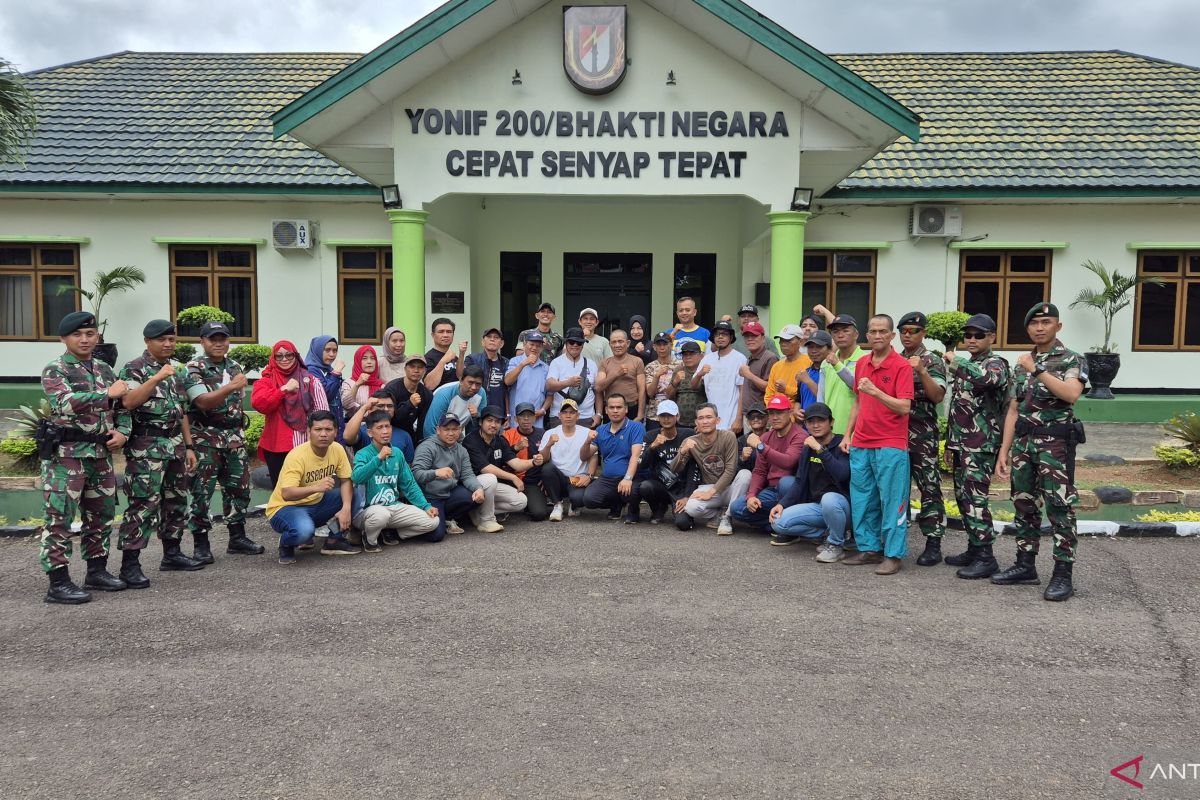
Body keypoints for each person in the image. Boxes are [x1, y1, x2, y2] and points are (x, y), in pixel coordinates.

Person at [995, 302, 1088, 601]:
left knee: (1060, 508)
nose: (1039, 327)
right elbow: (1012, 409)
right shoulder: (1020, 363)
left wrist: (1037, 370)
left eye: (1046, 322)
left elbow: (1071, 394)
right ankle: (1025, 565)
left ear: (1057, 326)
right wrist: (1004, 451)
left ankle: (1063, 574)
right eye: (1034, 323)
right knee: (1024, 504)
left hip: (1055, 446)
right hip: (1024, 444)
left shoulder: (1071, 359)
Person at [37, 310, 131, 604]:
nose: (84, 339)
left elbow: (123, 406)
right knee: (60, 519)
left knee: (101, 516)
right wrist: (107, 395)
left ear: (97, 337)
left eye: (90, 334)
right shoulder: (56, 369)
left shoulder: (104, 369)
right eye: (77, 334)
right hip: (67, 456)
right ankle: (58, 582)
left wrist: (124, 432)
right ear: (64, 338)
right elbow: (63, 403)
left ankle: (97, 571)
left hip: (101, 454)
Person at [114, 319, 204, 584]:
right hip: (146, 449)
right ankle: (130, 565)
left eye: (171, 340)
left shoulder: (176, 370)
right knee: (142, 504)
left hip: (174, 445)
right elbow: (129, 402)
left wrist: (189, 446)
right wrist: (155, 378)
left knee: (176, 501)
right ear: (147, 342)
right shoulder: (134, 368)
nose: (167, 344)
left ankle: (172, 553)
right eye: (161, 340)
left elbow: (182, 412)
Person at [184, 321, 264, 564]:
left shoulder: (234, 366)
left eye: (223, 338)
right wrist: (230, 386)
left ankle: (237, 537)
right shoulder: (194, 368)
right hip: (205, 439)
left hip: (234, 438)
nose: (218, 343)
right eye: (212, 339)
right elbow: (202, 402)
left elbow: (237, 403)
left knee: (239, 488)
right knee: (202, 492)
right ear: (202, 341)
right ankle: (201, 543)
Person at [840, 314, 914, 576]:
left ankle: (893, 554)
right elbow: (858, 402)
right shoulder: (862, 363)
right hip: (862, 441)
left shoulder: (902, 366)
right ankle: (869, 548)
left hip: (890, 444)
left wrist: (877, 392)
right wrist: (848, 434)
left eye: (883, 331)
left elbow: (904, 407)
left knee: (893, 500)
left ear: (892, 335)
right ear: (867, 336)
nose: (878, 336)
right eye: (873, 331)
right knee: (863, 499)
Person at [941, 314, 1011, 577]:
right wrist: (949, 443)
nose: (971, 339)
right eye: (967, 335)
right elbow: (957, 408)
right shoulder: (967, 364)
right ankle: (974, 547)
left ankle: (986, 556)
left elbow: (988, 380)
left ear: (992, 337)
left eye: (978, 335)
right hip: (962, 445)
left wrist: (955, 360)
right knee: (963, 498)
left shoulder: (996, 364)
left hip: (981, 446)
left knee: (976, 500)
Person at [266, 410, 358, 563]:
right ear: (309, 431)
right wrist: (316, 487)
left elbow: (346, 480)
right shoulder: (297, 456)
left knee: (355, 495)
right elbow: (287, 494)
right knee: (304, 532)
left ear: (335, 432)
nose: (323, 434)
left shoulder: (337, 449)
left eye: (328, 429)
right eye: (318, 429)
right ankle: (286, 543)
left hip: (317, 504)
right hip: (285, 508)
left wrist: (346, 508)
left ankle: (334, 541)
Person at [767, 402, 852, 562]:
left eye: (821, 420)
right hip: (818, 507)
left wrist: (820, 449)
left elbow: (841, 474)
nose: (815, 425)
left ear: (831, 422)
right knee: (778, 523)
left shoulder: (841, 443)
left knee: (829, 498)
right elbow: (799, 481)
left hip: (842, 507)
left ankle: (836, 545)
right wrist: (782, 504)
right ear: (805, 424)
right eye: (811, 421)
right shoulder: (808, 448)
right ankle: (833, 533)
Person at [896, 312, 949, 566]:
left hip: (922, 434)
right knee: (897, 489)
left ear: (923, 333)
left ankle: (933, 543)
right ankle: (896, 539)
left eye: (913, 331)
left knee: (929, 488)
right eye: (904, 331)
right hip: (895, 433)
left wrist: (921, 371)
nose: (908, 335)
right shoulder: (894, 359)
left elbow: (938, 396)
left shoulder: (932, 360)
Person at [351, 411, 439, 552]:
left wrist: (426, 506)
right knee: (380, 515)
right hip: (366, 511)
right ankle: (370, 540)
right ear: (370, 433)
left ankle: (392, 532)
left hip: (393, 507)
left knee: (433, 521)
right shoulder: (363, 453)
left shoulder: (397, 453)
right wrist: (378, 458)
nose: (385, 431)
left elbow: (409, 484)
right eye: (380, 428)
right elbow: (356, 477)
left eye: (388, 426)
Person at [251, 340, 330, 486]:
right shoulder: (267, 380)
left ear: (296, 356)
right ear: (273, 358)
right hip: (276, 445)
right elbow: (259, 404)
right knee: (281, 490)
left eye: (289, 355)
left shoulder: (310, 380)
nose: (284, 359)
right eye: (279, 356)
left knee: (306, 487)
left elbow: (323, 414)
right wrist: (283, 390)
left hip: (305, 444)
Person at [411, 414, 501, 537]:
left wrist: (479, 489)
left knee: (474, 496)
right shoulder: (427, 447)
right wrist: (435, 473)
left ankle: (448, 518)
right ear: (438, 430)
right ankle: (427, 520)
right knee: (436, 536)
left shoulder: (461, 449)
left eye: (454, 429)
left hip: (450, 492)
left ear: (459, 430)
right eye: (446, 429)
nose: (451, 433)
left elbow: (468, 475)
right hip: (430, 497)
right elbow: (415, 474)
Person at [728, 395, 805, 534]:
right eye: (772, 413)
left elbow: (788, 462)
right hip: (771, 491)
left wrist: (761, 447)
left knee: (786, 482)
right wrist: (752, 495)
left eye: (780, 412)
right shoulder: (766, 437)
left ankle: (785, 524)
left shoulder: (799, 435)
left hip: (793, 491)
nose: (775, 417)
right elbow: (760, 471)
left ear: (790, 412)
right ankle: (777, 524)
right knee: (737, 508)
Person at [464, 405, 541, 521]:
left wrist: (534, 462)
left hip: (491, 486)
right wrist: (513, 477)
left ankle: (478, 511)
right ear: (481, 422)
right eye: (489, 421)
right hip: (471, 484)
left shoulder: (500, 440)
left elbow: (516, 464)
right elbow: (485, 468)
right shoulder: (471, 440)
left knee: (521, 501)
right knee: (490, 478)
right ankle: (487, 519)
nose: (493, 425)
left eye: (497, 421)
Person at [670, 403, 739, 531]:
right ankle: (719, 513)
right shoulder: (690, 441)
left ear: (718, 420)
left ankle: (727, 516)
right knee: (691, 508)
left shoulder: (728, 436)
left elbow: (730, 470)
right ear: (696, 422)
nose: (705, 421)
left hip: (731, 488)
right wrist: (683, 451)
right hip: (710, 486)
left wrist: (709, 494)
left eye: (709, 417)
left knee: (745, 475)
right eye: (701, 418)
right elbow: (674, 469)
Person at [578, 395, 645, 523]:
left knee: (632, 491)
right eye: (611, 407)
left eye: (619, 407)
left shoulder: (636, 427)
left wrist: (627, 478)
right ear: (606, 410)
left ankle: (633, 509)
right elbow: (584, 456)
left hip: (631, 475)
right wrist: (587, 441)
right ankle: (617, 503)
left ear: (625, 409)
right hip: (608, 478)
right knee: (589, 499)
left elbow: (635, 456)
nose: (615, 410)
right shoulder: (601, 430)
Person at [635, 400, 694, 524]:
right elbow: (640, 465)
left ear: (677, 416)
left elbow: (694, 467)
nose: (666, 419)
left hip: (681, 487)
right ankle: (658, 508)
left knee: (683, 524)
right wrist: (652, 447)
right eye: (663, 416)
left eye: (670, 415)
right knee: (645, 486)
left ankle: (681, 509)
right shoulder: (650, 436)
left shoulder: (688, 434)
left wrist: (687, 495)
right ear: (657, 418)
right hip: (661, 485)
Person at [539, 399, 595, 521]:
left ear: (578, 416)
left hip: (577, 478)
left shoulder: (587, 433)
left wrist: (589, 476)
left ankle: (574, 505)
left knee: (579, 499)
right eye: (564, 412)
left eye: (572, 412)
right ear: (559, 415)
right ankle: (557, 504)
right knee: (547, 468)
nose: (568, 415)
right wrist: (549, 444)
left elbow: (594, 455)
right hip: (558, 477)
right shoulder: (550, 433)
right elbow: (543, 459)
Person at [694, 320, 746, 432]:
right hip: (711, 422)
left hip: (731, 421)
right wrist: (699, 374)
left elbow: (743, 390)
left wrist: (739, 418)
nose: (720, 337)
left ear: (731, 338)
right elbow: (694, 386)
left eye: (724, 334)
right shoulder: (707, 358)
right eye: (717, 334)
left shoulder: (740, 358)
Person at [503, 402, 551, 521]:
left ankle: (529, 503)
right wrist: (515, 448)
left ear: (535, 417)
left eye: (529, 415)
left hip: (532, 483)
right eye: (522, 415)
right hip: (511, 480)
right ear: (516, 419)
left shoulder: (543, 434)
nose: (526, 419)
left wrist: (546, 480)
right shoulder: (507, 435)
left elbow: (551, 459)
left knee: (539, 514)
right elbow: (501, 461)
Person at [822, 313, 867, 436]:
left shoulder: (865, 360)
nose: (840, 335)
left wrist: (837, 365)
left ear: (856, 335)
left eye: (845, 331)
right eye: (835, 332)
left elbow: (857, 387)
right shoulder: (825, 363)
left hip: (855, 431)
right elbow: (821, 397)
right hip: (828, 432)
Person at [546, 328, 599, 428]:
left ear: (583, 345)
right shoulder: (556, 362)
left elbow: (597, 391)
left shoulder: (592, 364)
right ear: (566, 343)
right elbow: (549, 385)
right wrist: (568, 383)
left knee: (587, 444)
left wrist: (599, 414)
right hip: (560, 417)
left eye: (579, 343)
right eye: (571, 342)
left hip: (586, 418)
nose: (575, 345)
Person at [343, 390, 414, 462]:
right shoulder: (362, 431)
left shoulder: (404, 435)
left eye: (390, 406)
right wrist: (364, 408)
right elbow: (347, 437)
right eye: (381, 406)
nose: (386, 409)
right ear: (370, 409)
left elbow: (407, 467)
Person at [421, 365, 486, 439]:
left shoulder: (481, 393)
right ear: (461, 380)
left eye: (478, 384)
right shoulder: (445, 394)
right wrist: (437, 449)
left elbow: (480, 424)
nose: (474, 387)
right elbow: (430, 428)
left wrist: (476, 415)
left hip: (454, 434)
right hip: (428, 434)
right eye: (470, 382)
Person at [597, 329, 647, 422]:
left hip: (632, 409)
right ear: (610, 345)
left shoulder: (637, 361)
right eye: (614, 342)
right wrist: (616, 374)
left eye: (620, 341)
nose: (617, 345)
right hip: (612, 409)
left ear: (627, 343)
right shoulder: (605, 363)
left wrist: (640, 414)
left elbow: (642, 389)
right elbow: (599, 387)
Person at [503, 332, 551, 428]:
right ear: (524, 345)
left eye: (538, 346)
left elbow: (550, 394)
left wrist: (543, 410)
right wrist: (523, 364)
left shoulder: (546, 368)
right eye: (531, 344)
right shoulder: (515, 361)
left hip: (536, 418)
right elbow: (507, 381)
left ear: (542, 348)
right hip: (517, 417)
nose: (534, 348)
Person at [385, 354, 432, 443]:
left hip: (409, 433)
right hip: (389, 430)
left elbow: (422, 424)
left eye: (420, 367)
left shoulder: (427, 394)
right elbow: (388, 418)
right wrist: (410, 404)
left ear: (425, 371)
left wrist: (420, 444)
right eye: (412, 367)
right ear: (405, 369)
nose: (416, 370)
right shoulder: (391, 388)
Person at [305, 334, 346, 437]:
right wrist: (336, 373)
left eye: (334, 350)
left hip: (335, 421)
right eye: (327, 350)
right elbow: (327, 394)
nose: (332, 354)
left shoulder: (329, 369)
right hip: (321, 426)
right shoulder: (310, 370)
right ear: (318, 350)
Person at [737, 321, 777, 425]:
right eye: (747, 336)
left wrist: (749, 375)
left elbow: (770, 388)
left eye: (754, 336)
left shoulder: (770, 358)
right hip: (749, 415)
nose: (750, 339)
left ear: (763, 338)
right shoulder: (750, 358)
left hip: (762, 416)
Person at [460, 327, 510, 411]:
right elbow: (460, 376)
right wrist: (461, 354)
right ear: (483, 342)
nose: (492, 339)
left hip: (498, 410)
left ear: (501, 343)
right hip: (475, 408)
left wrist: (508, 413)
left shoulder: (506, 362)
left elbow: (508, 390)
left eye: (496, 337)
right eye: (489, 337)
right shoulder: (473, 358)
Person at [765, 324, 813, 406]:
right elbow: (768, 396)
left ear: (800, 342)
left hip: (800, 414)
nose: (783, 344)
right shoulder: (776, 366)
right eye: (781, 340)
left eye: (788, 340)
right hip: (778, 415)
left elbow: (810, 393)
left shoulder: (810, 362)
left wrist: (786, 389)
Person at [665, 340, 707, 428]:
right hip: (680, 422)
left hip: (702, 422)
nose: (688, 357)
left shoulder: (705, 370)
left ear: (701, 356)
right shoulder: (678, 370)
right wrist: (675, 383)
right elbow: (668, 395)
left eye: (691, 354)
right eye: (685, 355)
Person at [643, 330, 679, 426]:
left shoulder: (680, 365)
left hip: (674, 413)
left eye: (665, 344)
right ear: (654, 347)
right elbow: (650, 393)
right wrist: (656, 376)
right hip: (655, 414)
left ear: (671, 345)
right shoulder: (650, 367)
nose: (662, 347)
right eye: (659, 345)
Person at [340, 344, 383, 418]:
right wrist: (357, 385)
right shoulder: (349, 383)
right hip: (355, 426)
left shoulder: (381, 385)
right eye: (364, 358)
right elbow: (346, 405)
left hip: (377, 426)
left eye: (372, 358)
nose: (369, 362)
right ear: (358, 361)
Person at [425, 317, 467, 390]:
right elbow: (429, 385)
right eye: (441, 332)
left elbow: (461, 378)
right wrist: (443, 360)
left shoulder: (454, 357)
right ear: (433, 335)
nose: (445, 335)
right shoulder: (427, 358)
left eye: (449, 332)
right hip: (438, 399)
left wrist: (462, 354)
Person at [797, 330, 833, 410]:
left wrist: (808, 381)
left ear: (830, 349)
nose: (813, 351)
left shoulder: (833, 372)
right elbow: (798, 399)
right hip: (806, 420)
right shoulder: (806, 372)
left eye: (819, 347)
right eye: (810, 347)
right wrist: (796, 411)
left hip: (824, 420)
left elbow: (827, 399)